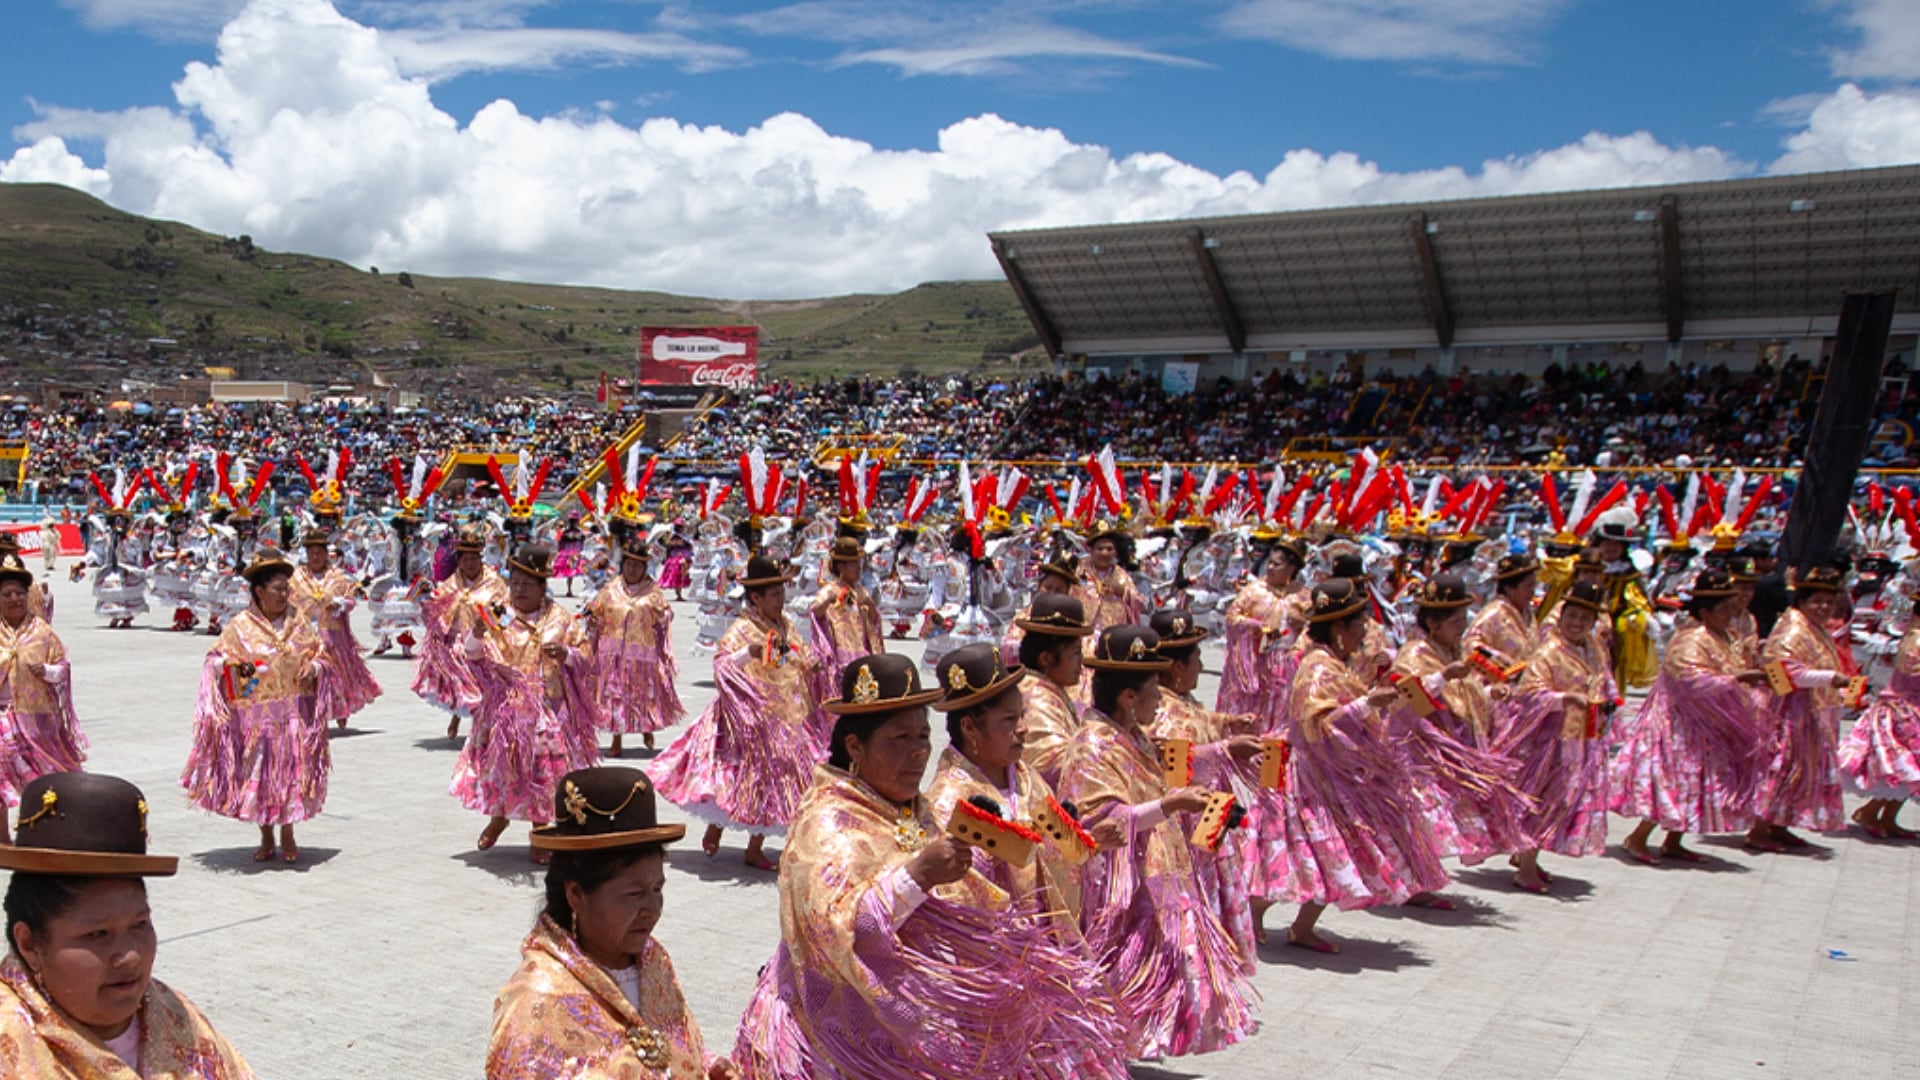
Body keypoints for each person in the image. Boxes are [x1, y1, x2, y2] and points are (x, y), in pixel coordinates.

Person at [732, 653, 1130, 1080]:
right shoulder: (827, 824)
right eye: (900, 738)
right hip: (837, 1035)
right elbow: (830, 930)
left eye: (923, 735)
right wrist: (915, 877)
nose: (918, 752)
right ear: (855, 746)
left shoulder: (911, 811)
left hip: (910, 1015)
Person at [1056, 626, 1259, 1057]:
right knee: (1115, 974)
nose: (1160, 701)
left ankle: (1115, 1050)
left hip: (1155, 875)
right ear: (1129, 695)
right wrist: (1169, 805)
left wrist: (1201, 781)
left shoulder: (1132, 735)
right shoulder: (1094, 745)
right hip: (1119, 890)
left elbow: (1168, 773)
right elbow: (1100, 820)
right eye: (1153, 691)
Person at [488, 766, 736, 1079]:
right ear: (576, 894)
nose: (652, 909)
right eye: (634, 894)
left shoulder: (653, 962)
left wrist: (709, 1067)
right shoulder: (536, 1003)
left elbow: (673, 1045)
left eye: (657, 889)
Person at [0, 772, 255, 1077]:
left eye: (140, 924)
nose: (131, 957)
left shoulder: (177, 1018)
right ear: (29, 944)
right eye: (98, 934)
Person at [1270, 582, 1453, 952]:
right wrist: (1367, 704)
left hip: (1337, 776)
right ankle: (1268, 916)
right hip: (1314, 780)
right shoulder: (1318, 669)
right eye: (1359, 624)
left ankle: (1297, 927)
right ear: (1340, 628)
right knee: (1323, 853)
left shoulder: (1336, 663)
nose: (1365, 632)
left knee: (1331, 855)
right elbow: (1318, 723)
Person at [924, 642, 1116, 938]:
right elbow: (958, 895)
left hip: (1048, 942)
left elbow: (1063, 851)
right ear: (969, 728)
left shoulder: (1027, 779)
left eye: (1023, 715)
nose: (1024, 727)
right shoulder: (948, 801)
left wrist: (1088, 844)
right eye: (1009, 720)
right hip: (1001, 949)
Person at [651, 556, 827, 872]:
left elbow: (795, 654)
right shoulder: (743, 629)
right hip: (745, 716)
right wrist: (750, 653)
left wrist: (809, 664)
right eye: (774, 595)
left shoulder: (784, 625)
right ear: (756, 598)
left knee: (770, 780)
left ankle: (753, 846)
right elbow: (722, 664)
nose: (780, 600)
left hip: (782, 715)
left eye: (782, 593)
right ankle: (718, 830)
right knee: (734, 776)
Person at [181, 549, 339, 864]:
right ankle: (266, 834)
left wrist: (315, 668)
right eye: (277, 589)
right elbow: (215, 661)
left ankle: (289, 832)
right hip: (257, 721)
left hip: (294, 717)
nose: (284, 595)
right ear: (259, 591)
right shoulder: (240, 627)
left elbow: (321, 654)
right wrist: (247, 671)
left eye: (286, 589)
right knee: (263, 777)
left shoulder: (298, 621)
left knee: (292, 775)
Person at [1611, 567, 1774, 862]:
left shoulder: (1724, 635)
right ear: (1705, 611)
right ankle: (1637, 838)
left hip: (1707, 723)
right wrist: (1737, 679)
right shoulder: (1690, 640)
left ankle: (1673, 841)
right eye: (1723, 609)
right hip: (1677, 725)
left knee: (1696, 784)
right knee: (1671, 782)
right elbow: (1689, 680)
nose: (1729, 613)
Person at [453, 544, 602, 862]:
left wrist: (566, 654)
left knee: (543, 773)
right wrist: (476, 633)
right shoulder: (498, 615)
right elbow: (472, 655)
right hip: (506, 710)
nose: (519, 590)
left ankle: (541, 832)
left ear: (542, 587)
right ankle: (499, 817)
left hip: (548, 710)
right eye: (515, 583)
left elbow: (587, 656)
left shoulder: (560, 619)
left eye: (527, 584)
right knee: (504, 768)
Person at [1388, 573, 1533, 875]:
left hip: (1450, 750)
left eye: (1462, 620)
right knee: (1421, 817)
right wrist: (1442, 677)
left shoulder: (1455, 652)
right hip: (1419, 752)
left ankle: (1419, 878)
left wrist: (1491, 694)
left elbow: (1467, 696)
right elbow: (1408, 702)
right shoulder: (1415, 654)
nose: (1461, 628)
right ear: (1433, 623)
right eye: (1455, 622)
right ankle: (1413, 879)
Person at [1145, 610, 1269, 958]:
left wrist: (1228, 723)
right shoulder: (1161, 712)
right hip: (1182, 828)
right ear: (1178, 668)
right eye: (1197, 659)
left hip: (1208, 819)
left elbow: (1200, 722)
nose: (1202, 666)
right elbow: (1173, 763)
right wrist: (1225, 749)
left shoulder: (1180, 701)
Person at [1497, 581, 1618, 893]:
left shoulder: (1593, 648)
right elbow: (1529, 693)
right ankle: (1525, 867)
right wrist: (1564, 699)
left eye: (1585, 618)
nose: (1577, 623)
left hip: (1581, 736)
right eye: (1572, 616)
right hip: (1549, 741)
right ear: (1561, 617)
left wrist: (1610, 701)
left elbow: (1604, 678)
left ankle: (1528, 858)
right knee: (1540, 800)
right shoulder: (1548, 652)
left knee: (1560, 800)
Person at [1748, 566, 1851, 852]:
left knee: (1802, 770)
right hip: (1788, 712)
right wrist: (1829, 678)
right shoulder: (1793, 629)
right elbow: (1781, 670)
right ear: (1802, 601)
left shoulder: (1813, 627)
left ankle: (1779, 825)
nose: (1824, 607)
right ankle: (1759, 829)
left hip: (1811, 710)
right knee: (1782, 767)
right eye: (1817, 601)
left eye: (1829, 602)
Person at [0, 553, 85, 846]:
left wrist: (46, 671)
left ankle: (39, 833)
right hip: (3, 716)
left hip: (36, 719)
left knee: (42, 777)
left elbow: (63, 669)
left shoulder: (43, 633)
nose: (14, 599)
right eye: (7, 595)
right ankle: (2, 838)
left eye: (19, 594)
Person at [582, 535, 682, 756]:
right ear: (623, 565)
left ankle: (646, 728)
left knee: (642, 695)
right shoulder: (610, 590)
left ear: (645, 568)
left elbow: (666, 613)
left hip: (641, 654)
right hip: (613, 654)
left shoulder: (652, 592)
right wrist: (591, 616)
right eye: (629, 564)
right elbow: (596, 611)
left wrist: (664, 617)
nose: (633, 569)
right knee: (615, 696)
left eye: (638, 565)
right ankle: (616, 739)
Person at [1840, 581, 1920, 837]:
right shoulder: (1916, 640)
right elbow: (1913, 673)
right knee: (1902, 767)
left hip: (1910, 708)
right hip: (1903, 711)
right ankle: (1870, 812)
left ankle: (1888, 817)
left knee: (1909, 768)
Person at [415, 525, 508, 739]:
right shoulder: (451, 583)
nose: (470, 564)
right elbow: (437, 606)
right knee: (461, 683)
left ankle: (481, 723)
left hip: (484, 642)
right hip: (457, 643)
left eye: (474, 559)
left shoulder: (494, 582)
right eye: (465, 560)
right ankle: (456, 717)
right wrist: (425, 599)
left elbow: (504, 608)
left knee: (484, 686)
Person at [290, 526, 382, 731]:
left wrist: (339, 604)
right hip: (305, 634)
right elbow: (288, 602)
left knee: (335, 675)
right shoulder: (296, 577)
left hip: (331, 634)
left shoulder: (338, 576)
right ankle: (311, 712)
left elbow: (351, 601)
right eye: (311, 553)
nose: (315, 557)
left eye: (319, 553)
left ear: (326, 554)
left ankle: (340, 709)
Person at [1216, 533, 1307, 716]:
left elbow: (1316, 628)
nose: (1270, 568)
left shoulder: (1303, 595)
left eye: (1277, 564)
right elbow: (1232, 617)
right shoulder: (1254, 591)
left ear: (1291, 568)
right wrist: (1253, 626)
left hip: (1290, 663)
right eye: (1270, 563)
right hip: (1257, 660)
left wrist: (1303, 624)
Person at [1012, 593, 1093, 786]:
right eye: (1075, 653)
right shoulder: (1037, 697)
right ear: (1046, 659)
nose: (1081, 662)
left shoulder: (1046, 689)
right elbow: (1051, 765)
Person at [807, 536, 884, 686]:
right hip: (841, 655)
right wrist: (827, 602)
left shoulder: (861, 591)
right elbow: (815, 613)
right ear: (841, 567)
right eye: (854, 565)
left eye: (859, 563)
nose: (859, 568)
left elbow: (874, 621)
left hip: (862, 651)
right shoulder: (830, 590)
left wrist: (870, 604)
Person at [1463, 553, 1541, 676]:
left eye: (1534, 585)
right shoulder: (1493, 614)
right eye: (1528, 586)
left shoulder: (1528, 614)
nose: (1532, 591)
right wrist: (1502, 664)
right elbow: (1471, 645)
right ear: (1509, 589)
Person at [1075, 523, 1142, 644]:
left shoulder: (1121, 575)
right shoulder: (1078, 570)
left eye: (1109, 549)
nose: (1105, 553)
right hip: (1082, 633)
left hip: (1113, 636)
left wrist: (1123, 592)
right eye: (1100, 549)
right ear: (1091, 550)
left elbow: (1140, 602)